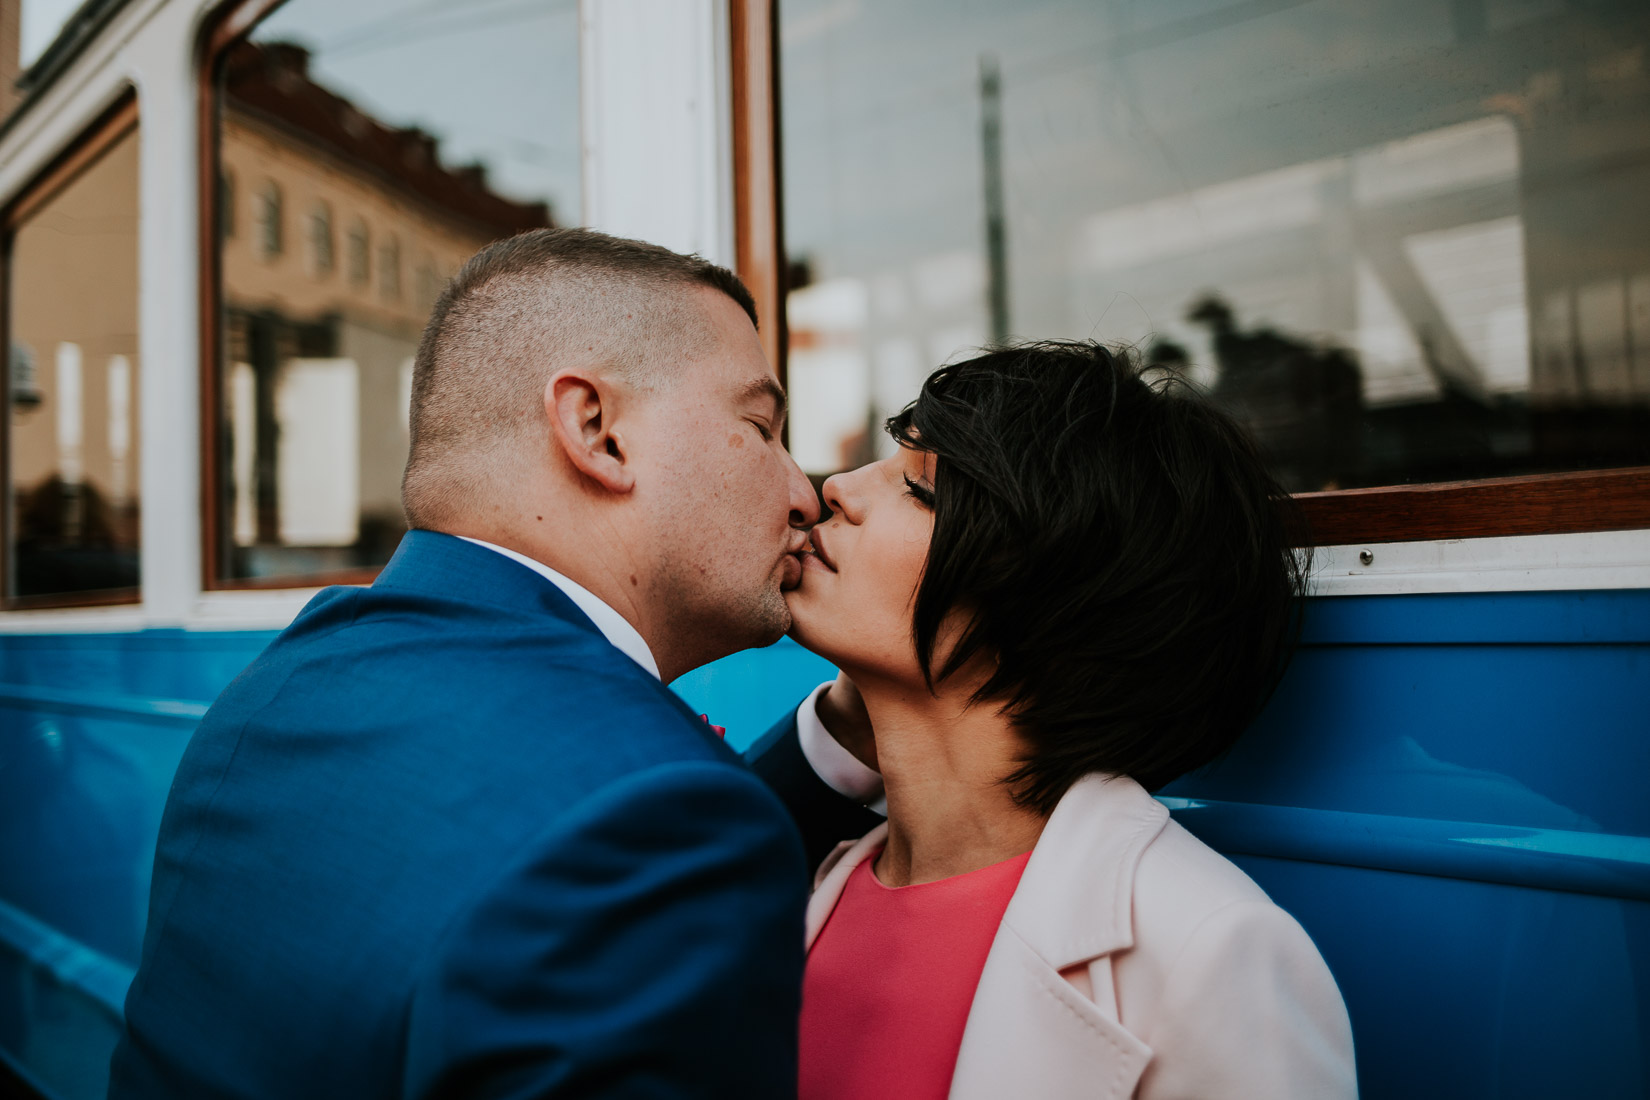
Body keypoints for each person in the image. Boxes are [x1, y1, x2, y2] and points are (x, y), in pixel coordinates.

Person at [108, 228, 867, 1098]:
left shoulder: (277, 691)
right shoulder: (660, 822)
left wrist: (836, 741)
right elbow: (614, 831)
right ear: (597, 431)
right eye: (761, 426)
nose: (803, 490)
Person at [758, 341, 1358, 1098]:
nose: (834, 487)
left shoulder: (1211, 950)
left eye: (920, 490)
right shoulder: (823, 882)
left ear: (1051, 596)